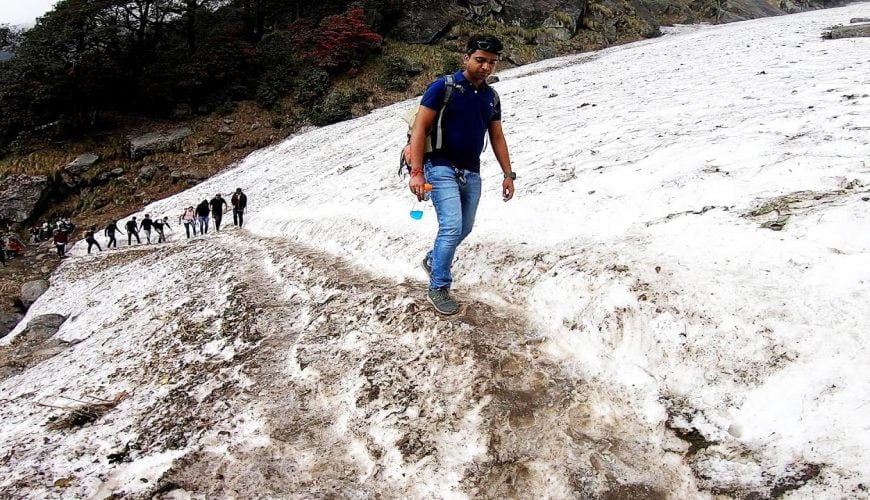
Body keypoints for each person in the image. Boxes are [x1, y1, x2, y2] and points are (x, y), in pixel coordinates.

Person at [408, 34, 516, 315]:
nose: (485, 67)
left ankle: (433, 260)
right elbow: (420, 129)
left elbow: (497, 137)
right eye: (480, 60)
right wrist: (417, 173)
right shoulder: (443, 87)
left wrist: (508, 173)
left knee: (464, 228)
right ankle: (438, 286)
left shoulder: (491, 97)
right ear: (466, 58)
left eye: (491, 62)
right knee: (452, 226)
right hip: (439, 166)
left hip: (471, 170)